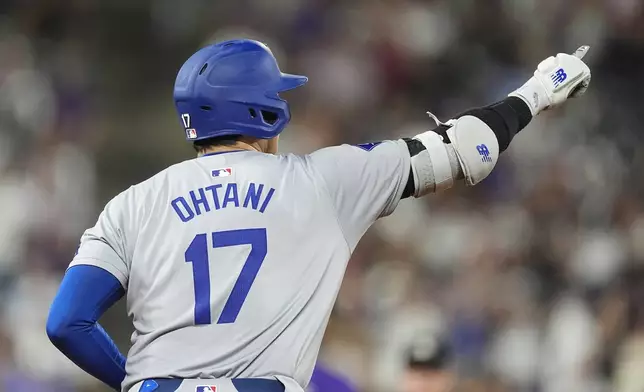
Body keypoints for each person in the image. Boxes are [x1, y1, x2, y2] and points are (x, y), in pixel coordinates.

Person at [45, 39, 591, 392]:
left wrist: (135, 384)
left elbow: (66, 323)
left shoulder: (131, 204)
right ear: (264, 111)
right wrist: (538, 91)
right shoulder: (324, 181)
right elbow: (465, 148)